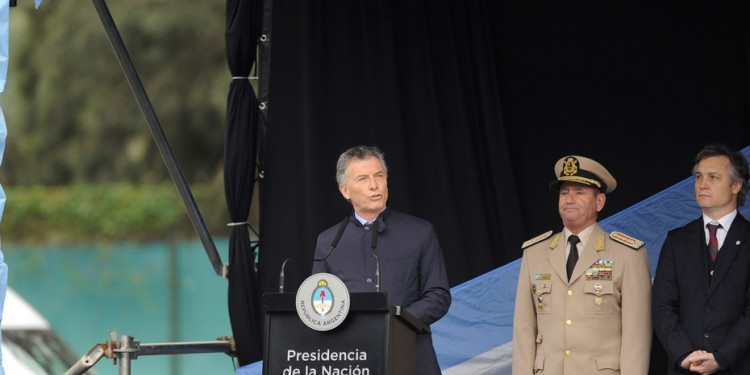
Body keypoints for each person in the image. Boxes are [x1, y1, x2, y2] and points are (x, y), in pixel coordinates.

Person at [312, 145, 452, 375]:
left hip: (414, 358)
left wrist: (396, 321)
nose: (374, 185)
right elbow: (320, 305)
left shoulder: (420, 232)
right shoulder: (328, 242)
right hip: (353, 360)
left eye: (379, 176)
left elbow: (439, 296)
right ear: (345, 190)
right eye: (363, 179)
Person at [512, 155, 652, 375]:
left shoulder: (627, 254)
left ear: (599, 202)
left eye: (579, 192)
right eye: (564, 192)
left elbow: (637, 336)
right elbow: (523, 331)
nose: (569, 199)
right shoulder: (534, 254)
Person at [652, 143, 750, 375]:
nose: (702, 184)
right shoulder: (676, 241)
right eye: (698, 177)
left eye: (713, 177)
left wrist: (723, 357)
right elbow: (662, 305)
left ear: (736, 185)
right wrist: (684, 354)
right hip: (686, 368)